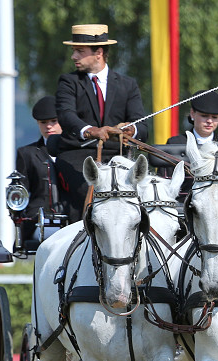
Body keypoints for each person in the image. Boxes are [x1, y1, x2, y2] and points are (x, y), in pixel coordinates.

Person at [52, 23, 149, 222]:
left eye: (80, 51)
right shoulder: (68, 82)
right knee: (89, 189)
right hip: (77, 155)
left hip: (118, 155)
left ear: (99, 53)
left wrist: (130, 130)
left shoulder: (127, 85)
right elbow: (66, 115)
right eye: (74, 51)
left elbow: (142, 125)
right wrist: (91, 131)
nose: (74, 57)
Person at [164, 89, 218, 198]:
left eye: (214, 117)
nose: (209, 121)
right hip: (182, 207)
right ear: (192, 114)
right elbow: (165, 183)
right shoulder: (174, 143)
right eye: (204, 116)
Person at [16, 96, 63, 241]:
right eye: (43, 122)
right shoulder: (27, 154)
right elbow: (20, 190)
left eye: (54, 121)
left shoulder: (77, 153)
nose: (49, 126)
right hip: (39, 220)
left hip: (74, 218)